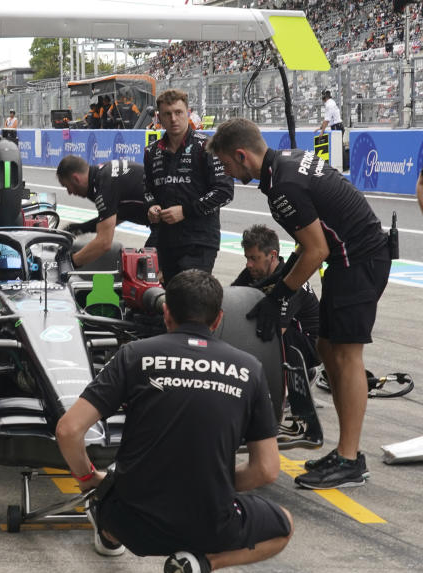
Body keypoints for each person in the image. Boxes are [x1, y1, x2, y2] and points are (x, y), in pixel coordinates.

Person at [56, 270, 292, 573]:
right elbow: (266, 470)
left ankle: (107, 533)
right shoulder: (251, 369)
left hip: (133, 523)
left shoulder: (134, 355)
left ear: (167, 314)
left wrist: (89, 479)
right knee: (283, 526)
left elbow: (69, 429)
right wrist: (214, 487)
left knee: (105, 493)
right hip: (211, 522)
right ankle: (204, 562)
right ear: (219, 320)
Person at [208, 117, 390, 490]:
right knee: (326, 346)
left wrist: (281, 295)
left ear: (242, 155)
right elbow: (312, 239)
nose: (226, 172)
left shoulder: (283, 186)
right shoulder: (288, 161)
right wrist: (281, 279)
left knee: (347, 356)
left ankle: (350, 459)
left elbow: (317, 249)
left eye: (226, 164)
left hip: (358, 260)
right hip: (350, 258)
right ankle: (345, 451)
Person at [144, 89, 233, 283]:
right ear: (159, 118)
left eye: (178, 112)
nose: (174, 119)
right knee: (166, 298)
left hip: (199, 241)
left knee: (190, 298)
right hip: (165, 240)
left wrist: (185, 211)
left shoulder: (207, 147)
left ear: (188, 112)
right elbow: (147, 190)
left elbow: (224, 192)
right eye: (167, 114)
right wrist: (151, 206)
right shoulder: (152, 152)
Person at [232, 225, 320, 372]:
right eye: (247, 258)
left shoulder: (292, 281)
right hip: (287, 333)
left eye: (254, 258)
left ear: (272, 255)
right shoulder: (254, 271)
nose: (249, 264)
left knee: (264, 333)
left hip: (307, 344)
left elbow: (276, 333)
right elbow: (232, 299)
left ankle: (294, 375)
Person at [55, 155, 156, 267]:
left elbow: (104, 243)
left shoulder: (103, 186)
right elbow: (118, 216)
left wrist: (70, 262)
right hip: (164, 220)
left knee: (146, 271)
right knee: (144, 267)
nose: (69, 192)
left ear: (75, 179)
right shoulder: (102, 173)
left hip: (169, 223)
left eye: (66, 186)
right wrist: (81, 228)